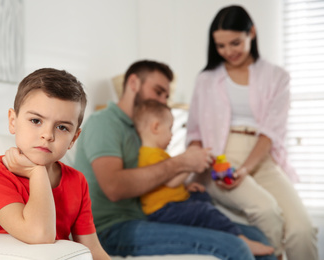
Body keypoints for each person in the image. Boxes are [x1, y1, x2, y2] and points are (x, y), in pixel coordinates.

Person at [74, 59, 277, 260]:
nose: (163, 101)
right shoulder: (104, 123)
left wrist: (183, 185)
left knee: (257, 237)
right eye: (158, 91)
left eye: (166, 95)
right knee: (235, 247)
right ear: (133, 83)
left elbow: (149, 177)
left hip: (145, 217)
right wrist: (182, 162)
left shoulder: (141, 130)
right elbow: (114, 187)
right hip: (111, 229)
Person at [185, 5, 318, 260]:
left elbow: (270, 133)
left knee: (302, 229)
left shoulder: (277, 77)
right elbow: (195, 133)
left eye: (235, 43)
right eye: (221, 46)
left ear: (252, 33)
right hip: (220, 159)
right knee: (267, 211)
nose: (228, 51)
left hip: (261, 157)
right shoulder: (206, 79)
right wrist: (193, 173)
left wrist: (245, 169)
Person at [0, 68, 110, 260]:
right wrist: (36, 172)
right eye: (36, 120)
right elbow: (39, 235)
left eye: (62, 127)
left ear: (74, 138)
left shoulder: (76, 181)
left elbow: (93, 250)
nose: (48, 135)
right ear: (13, 121)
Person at [133, 99, 274, 256]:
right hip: (164, 210)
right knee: (204, 210)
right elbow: (172, 181)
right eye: (170, 129)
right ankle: (240, 238)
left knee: (201, 195)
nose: (172, 135)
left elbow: (164, 184)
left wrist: (186, 186)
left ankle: (213, 225)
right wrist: (189, 164)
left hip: (170, 203)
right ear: (156, 127)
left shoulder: (156, 154)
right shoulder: (149, 155)